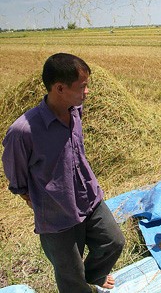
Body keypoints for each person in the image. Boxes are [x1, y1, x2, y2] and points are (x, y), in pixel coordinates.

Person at [2, 53, 125, 293]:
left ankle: (95, 274)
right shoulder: (23, 131)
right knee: (71, 276)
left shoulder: (75, 110)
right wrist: (35, 199)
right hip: (58, 215)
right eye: (83, 86)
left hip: (89, 198)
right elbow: (16, 177)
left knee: (114, 241)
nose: (87, 92)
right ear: (59, 88)